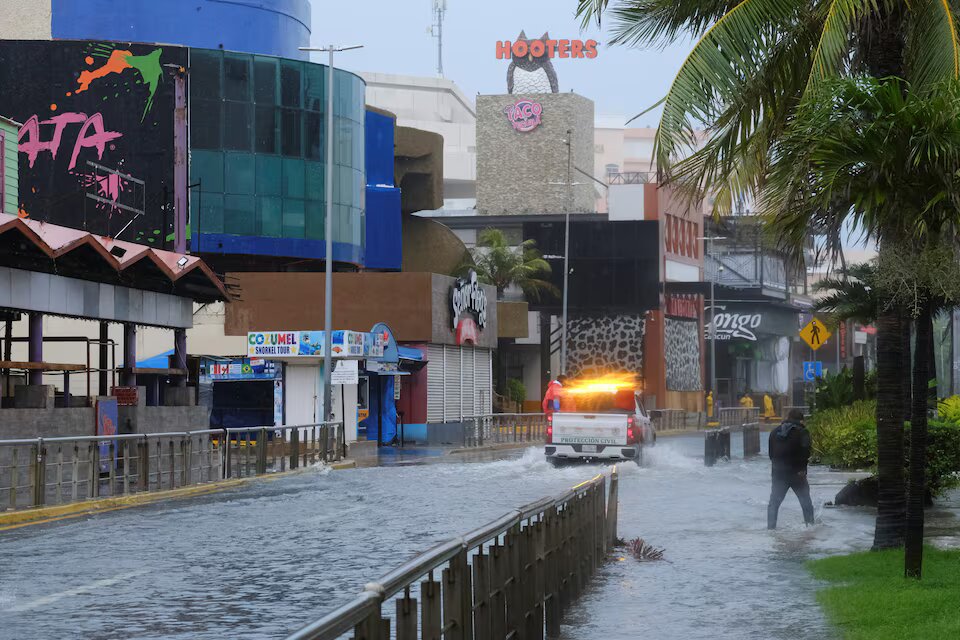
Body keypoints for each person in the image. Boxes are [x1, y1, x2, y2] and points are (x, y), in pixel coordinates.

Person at [768, 408, 815, 529]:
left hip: (778, 474)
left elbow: (771, 454)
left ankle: (771, 530)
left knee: (774, 504)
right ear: (801, 420)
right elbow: (806, 452)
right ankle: (810, 529)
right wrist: (802, 469)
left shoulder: (774, 432)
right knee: (806, 503)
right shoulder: (803, 432)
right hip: (797, 473)